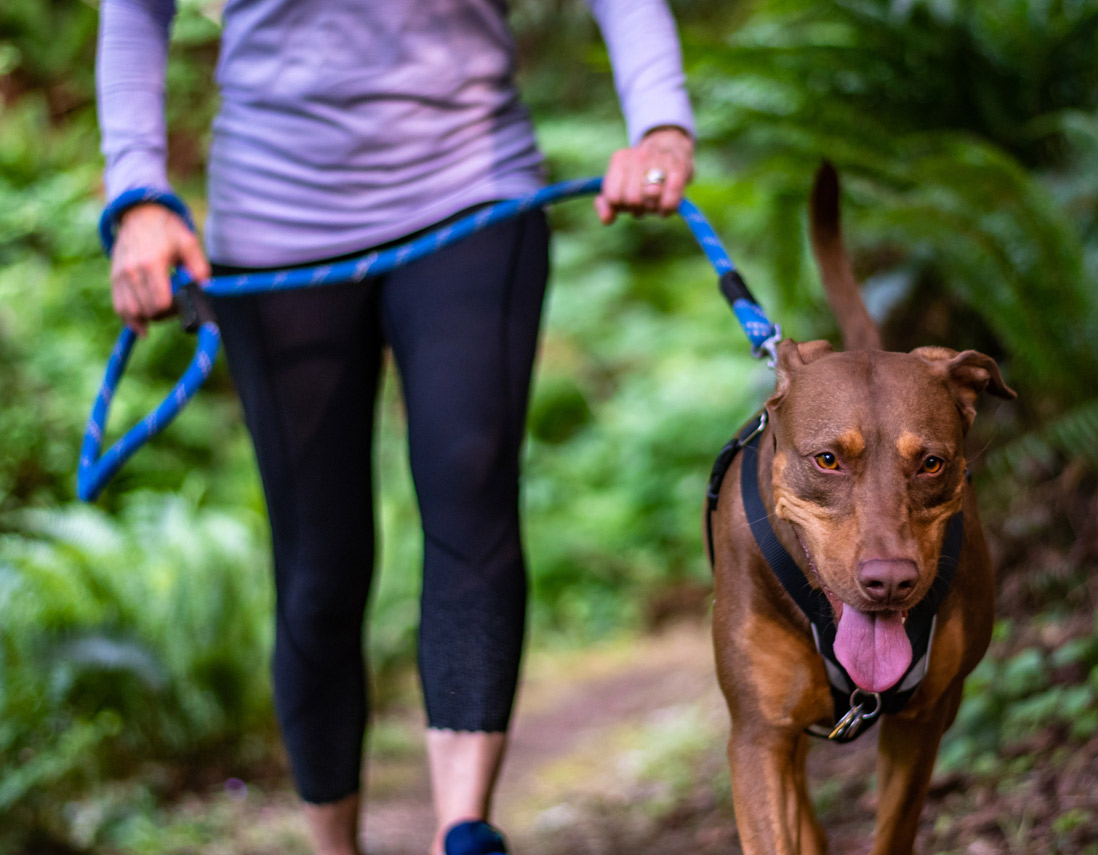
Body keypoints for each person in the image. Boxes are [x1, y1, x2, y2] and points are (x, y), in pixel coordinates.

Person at [95, 2, 695, 853]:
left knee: (471, 477)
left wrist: (661, 121)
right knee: (320, 558)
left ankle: (463, 828)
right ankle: (335, 843)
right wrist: (136, 194)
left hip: (471, 191)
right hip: (275, 225)